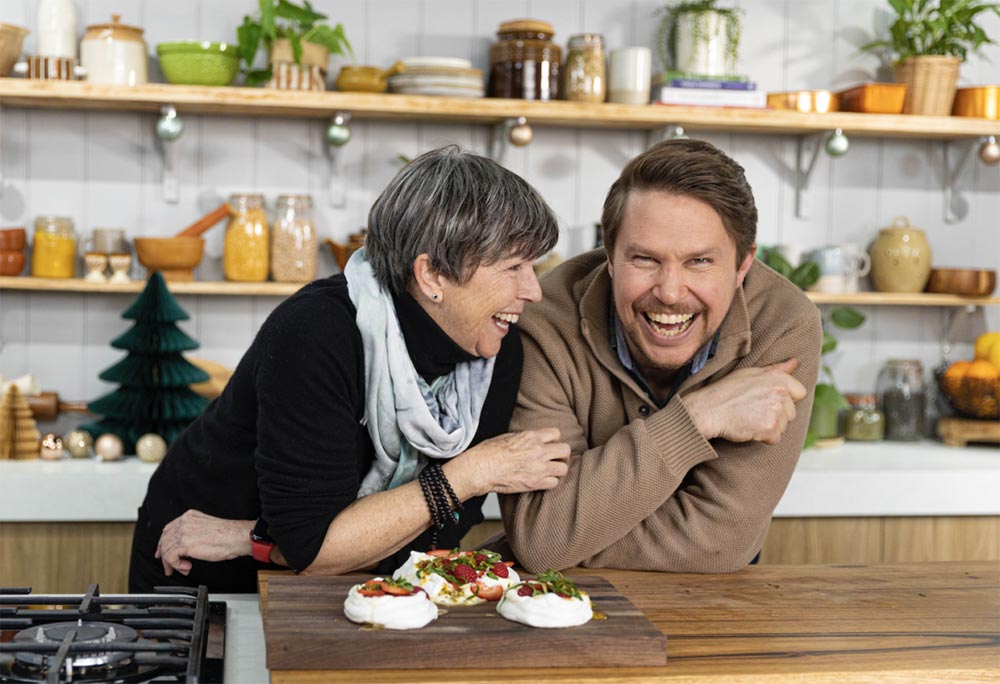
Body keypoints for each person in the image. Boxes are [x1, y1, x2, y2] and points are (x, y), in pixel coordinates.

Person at [129, 146, 570, 593]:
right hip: (200, 569)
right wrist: (474, 470)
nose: (533, 291)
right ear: (432, 275)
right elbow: (314, 547)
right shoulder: (317, 333)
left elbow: (437, 534)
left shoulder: (496, 350)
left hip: (338, 575)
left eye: (532, 265)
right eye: (513, 267)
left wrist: (255, 538)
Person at [500, 139, 822, 573]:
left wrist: (567, 536)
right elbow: (544, 535)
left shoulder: (782, 323)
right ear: (610, 258)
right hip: (563, 605)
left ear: (743, 265)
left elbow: (723, 543)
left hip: (710, 603)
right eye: (645, 259)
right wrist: (699, 417)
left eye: (699, 261)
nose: (670, 292)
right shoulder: (541, 323)